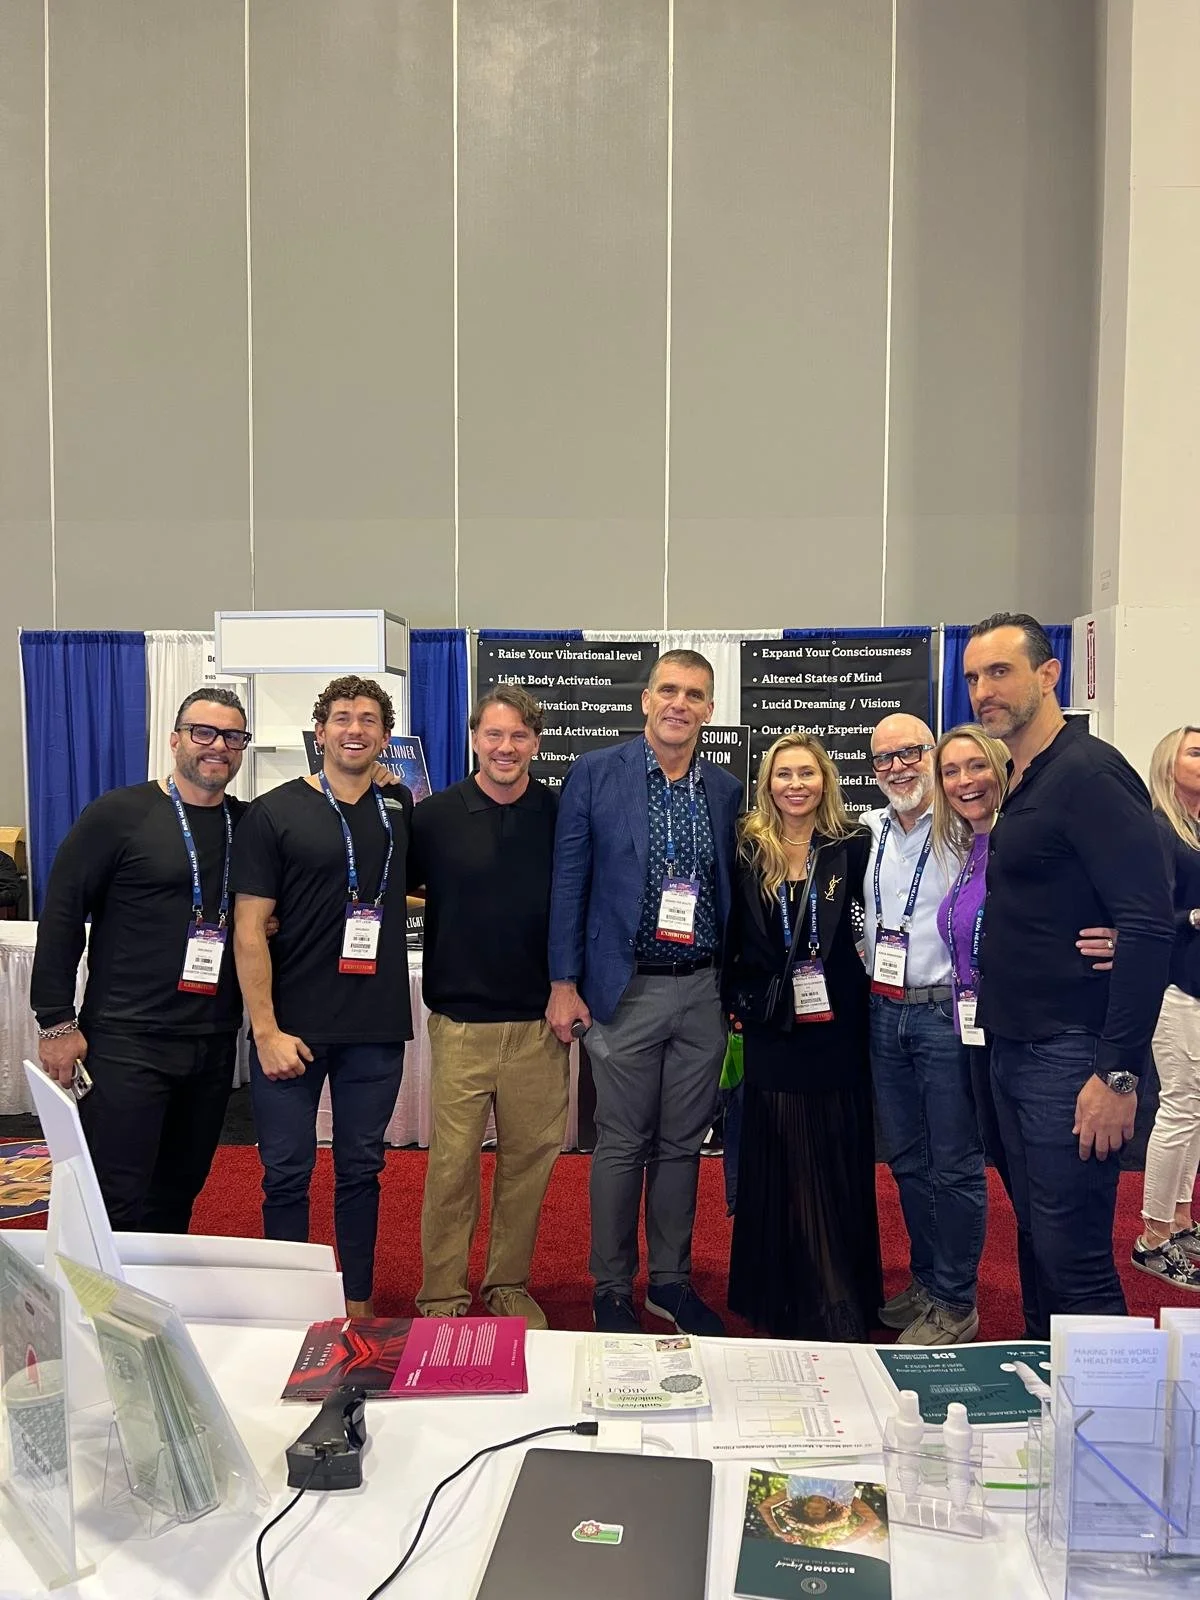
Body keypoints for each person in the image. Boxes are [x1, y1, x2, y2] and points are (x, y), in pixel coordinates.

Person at [964, 613, 1174, 1332]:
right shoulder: (1025, 775)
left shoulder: (1087, 771)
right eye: (972, 677)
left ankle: (1112, 1435)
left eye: (999, 672)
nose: (983, 690)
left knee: (1075, 1258)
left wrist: (1117, 1074)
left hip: (1073, 1054)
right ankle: (1049, 1404)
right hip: (1015, 1047)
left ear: (1048, 675)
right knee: (1037, 1245)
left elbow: (1148, 915)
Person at [547, 649, 743, 1335]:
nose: (678, 704)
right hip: (622, 991)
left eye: (694, 694)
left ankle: (669, 1281)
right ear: (645, 698)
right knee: (622, 1142)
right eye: (668, 689)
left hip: (702, 992)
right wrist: (563, 983)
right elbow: (569, 883)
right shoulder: (597, 775)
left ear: (710, 710)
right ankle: (610, 1287)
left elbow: (736, 891)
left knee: (683, 1144)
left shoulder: (725, 789)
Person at [30, 688, 251, 1232]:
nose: (217, 746)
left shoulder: (248, 824)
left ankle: (149, 1314)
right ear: (175, 739)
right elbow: (62, 914)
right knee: (113, 1196)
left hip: (212, 1039)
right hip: (127, 1041)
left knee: (177, 1194)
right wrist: (55, 1021)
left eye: (232, 737)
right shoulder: (119, 814)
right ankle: (96, 1316)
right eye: (204, 732)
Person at [232, 675, 413, 1318]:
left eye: (368, 719)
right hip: (291, 1031)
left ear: (385, 737)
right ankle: (290, 1303)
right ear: (320, 732)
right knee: (285, 1172)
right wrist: (266, 1031)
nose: (355, 729)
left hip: (374, 1025)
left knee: (362, 1171)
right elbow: (250, 929)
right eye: (342, 717)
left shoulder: (399, 810)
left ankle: (357, 1298)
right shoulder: (273, 813)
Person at [931, 723, 1122, 1330]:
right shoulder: (973, 847)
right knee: (1032, 1218)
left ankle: (1106, 1399)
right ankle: (1046, 1354)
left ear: (1004, 767)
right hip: (992, 1040)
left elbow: (1151, 891)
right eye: (951, 772)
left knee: (1071, 1242)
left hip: (1058, 1044)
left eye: (976, 766)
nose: (966, 781)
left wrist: (1132, 938)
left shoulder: (1056, 815)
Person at [411, 684, 568, 1328]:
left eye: (519, 737)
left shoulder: (560, 814)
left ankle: (507, 1283)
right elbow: (396, 889)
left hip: (538, 1026)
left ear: (535, 743)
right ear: (475, 738)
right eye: (494, 735)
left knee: (528, 1163)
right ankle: (442, 1294)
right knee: (451, 1166)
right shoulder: (434, 816)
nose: (506, 748)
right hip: (461, 1025)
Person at [724, 734, 880, 1341]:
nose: (796, 784)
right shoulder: (748, 848)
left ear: (825, 780)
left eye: (807, 774)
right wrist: (738, 1001)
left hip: (837, 1025)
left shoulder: (854, 845)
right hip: (771, 1026)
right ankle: (782, 1293)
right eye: (784, 773)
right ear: (768, 782)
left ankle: (838, 1294)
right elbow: (734, 931)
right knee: (782, 1154)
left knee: (835, 1153)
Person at [863, 713, 986, 1345]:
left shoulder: (966, 829)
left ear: (932, 753)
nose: (897, 768)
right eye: (883, 759)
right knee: (907, 1159)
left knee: (955, 1164)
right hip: (884, 1012)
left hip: (945, 1015)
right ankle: (927, 1281)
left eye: (909, 753)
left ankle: (959, 1300)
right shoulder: (871, 830)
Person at [1132, 726, 1200, 1288]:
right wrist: (1195, 918)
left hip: (1196, 985)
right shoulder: (1157, 830)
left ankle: (1179, 1218)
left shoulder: (1194, 828)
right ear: (1168, 761)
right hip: (1174, 988)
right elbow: (1147, 919)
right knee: (1179, 1108)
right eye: (1197, 752)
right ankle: (1152, 1236)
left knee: (1194, 1110)